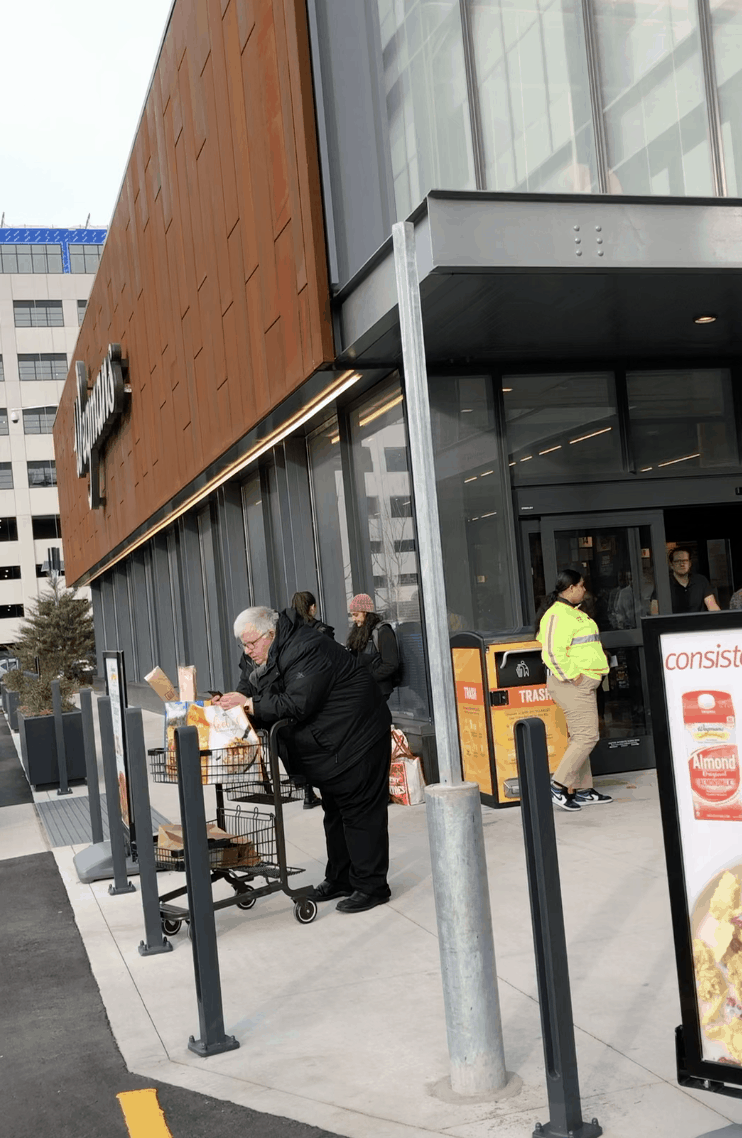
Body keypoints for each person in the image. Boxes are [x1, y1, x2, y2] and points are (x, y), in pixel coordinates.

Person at [214, 605, 393, 913]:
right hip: (331, 743)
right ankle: (341, 878)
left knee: (361, 813)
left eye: (251, 643)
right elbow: (249, 690)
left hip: (358, 736)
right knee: (335, 811)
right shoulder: (261, 653)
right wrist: (233, 702)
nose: (247, 650)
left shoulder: (308, 647)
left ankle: (372, 886)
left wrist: (251, 704)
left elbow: (298, 702)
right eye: (243, 644)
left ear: (271, 634)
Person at [535, 569, 612, 812]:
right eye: (581, 586)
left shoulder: (572, 613)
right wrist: (575, 677)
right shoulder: (557, 615)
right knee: (587, 736)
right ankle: (558, 786)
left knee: (581, 737)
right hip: (571, 685)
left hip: (582, 684)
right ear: (570, 589)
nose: (584, 590)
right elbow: (552, 653)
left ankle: (583, 789)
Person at [290, 590, 332, 809]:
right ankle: (327, 788)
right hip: (320, 694)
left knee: (304, 745)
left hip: (296, 695)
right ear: (312, 608)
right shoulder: (320, 631)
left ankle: (308, 793)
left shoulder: (289, 634)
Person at [346, 593, 400, 701]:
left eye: (356, 615)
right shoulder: (359, 631)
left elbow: (391, 664)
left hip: (378, 690)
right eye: (351, 615)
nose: (353, 619)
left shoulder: (383, 631)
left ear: (365, 612)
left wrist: (368, 678)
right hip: (365, 688)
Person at [668, 548, 720, 613]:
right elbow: (655, 611)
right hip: (673, 622)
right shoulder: (665, 584)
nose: (682, 564)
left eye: (685, 560)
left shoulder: (701, 581)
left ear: (690, 563)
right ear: (671, 565)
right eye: (678, 561)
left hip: (699, 622)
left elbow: (712, 606)